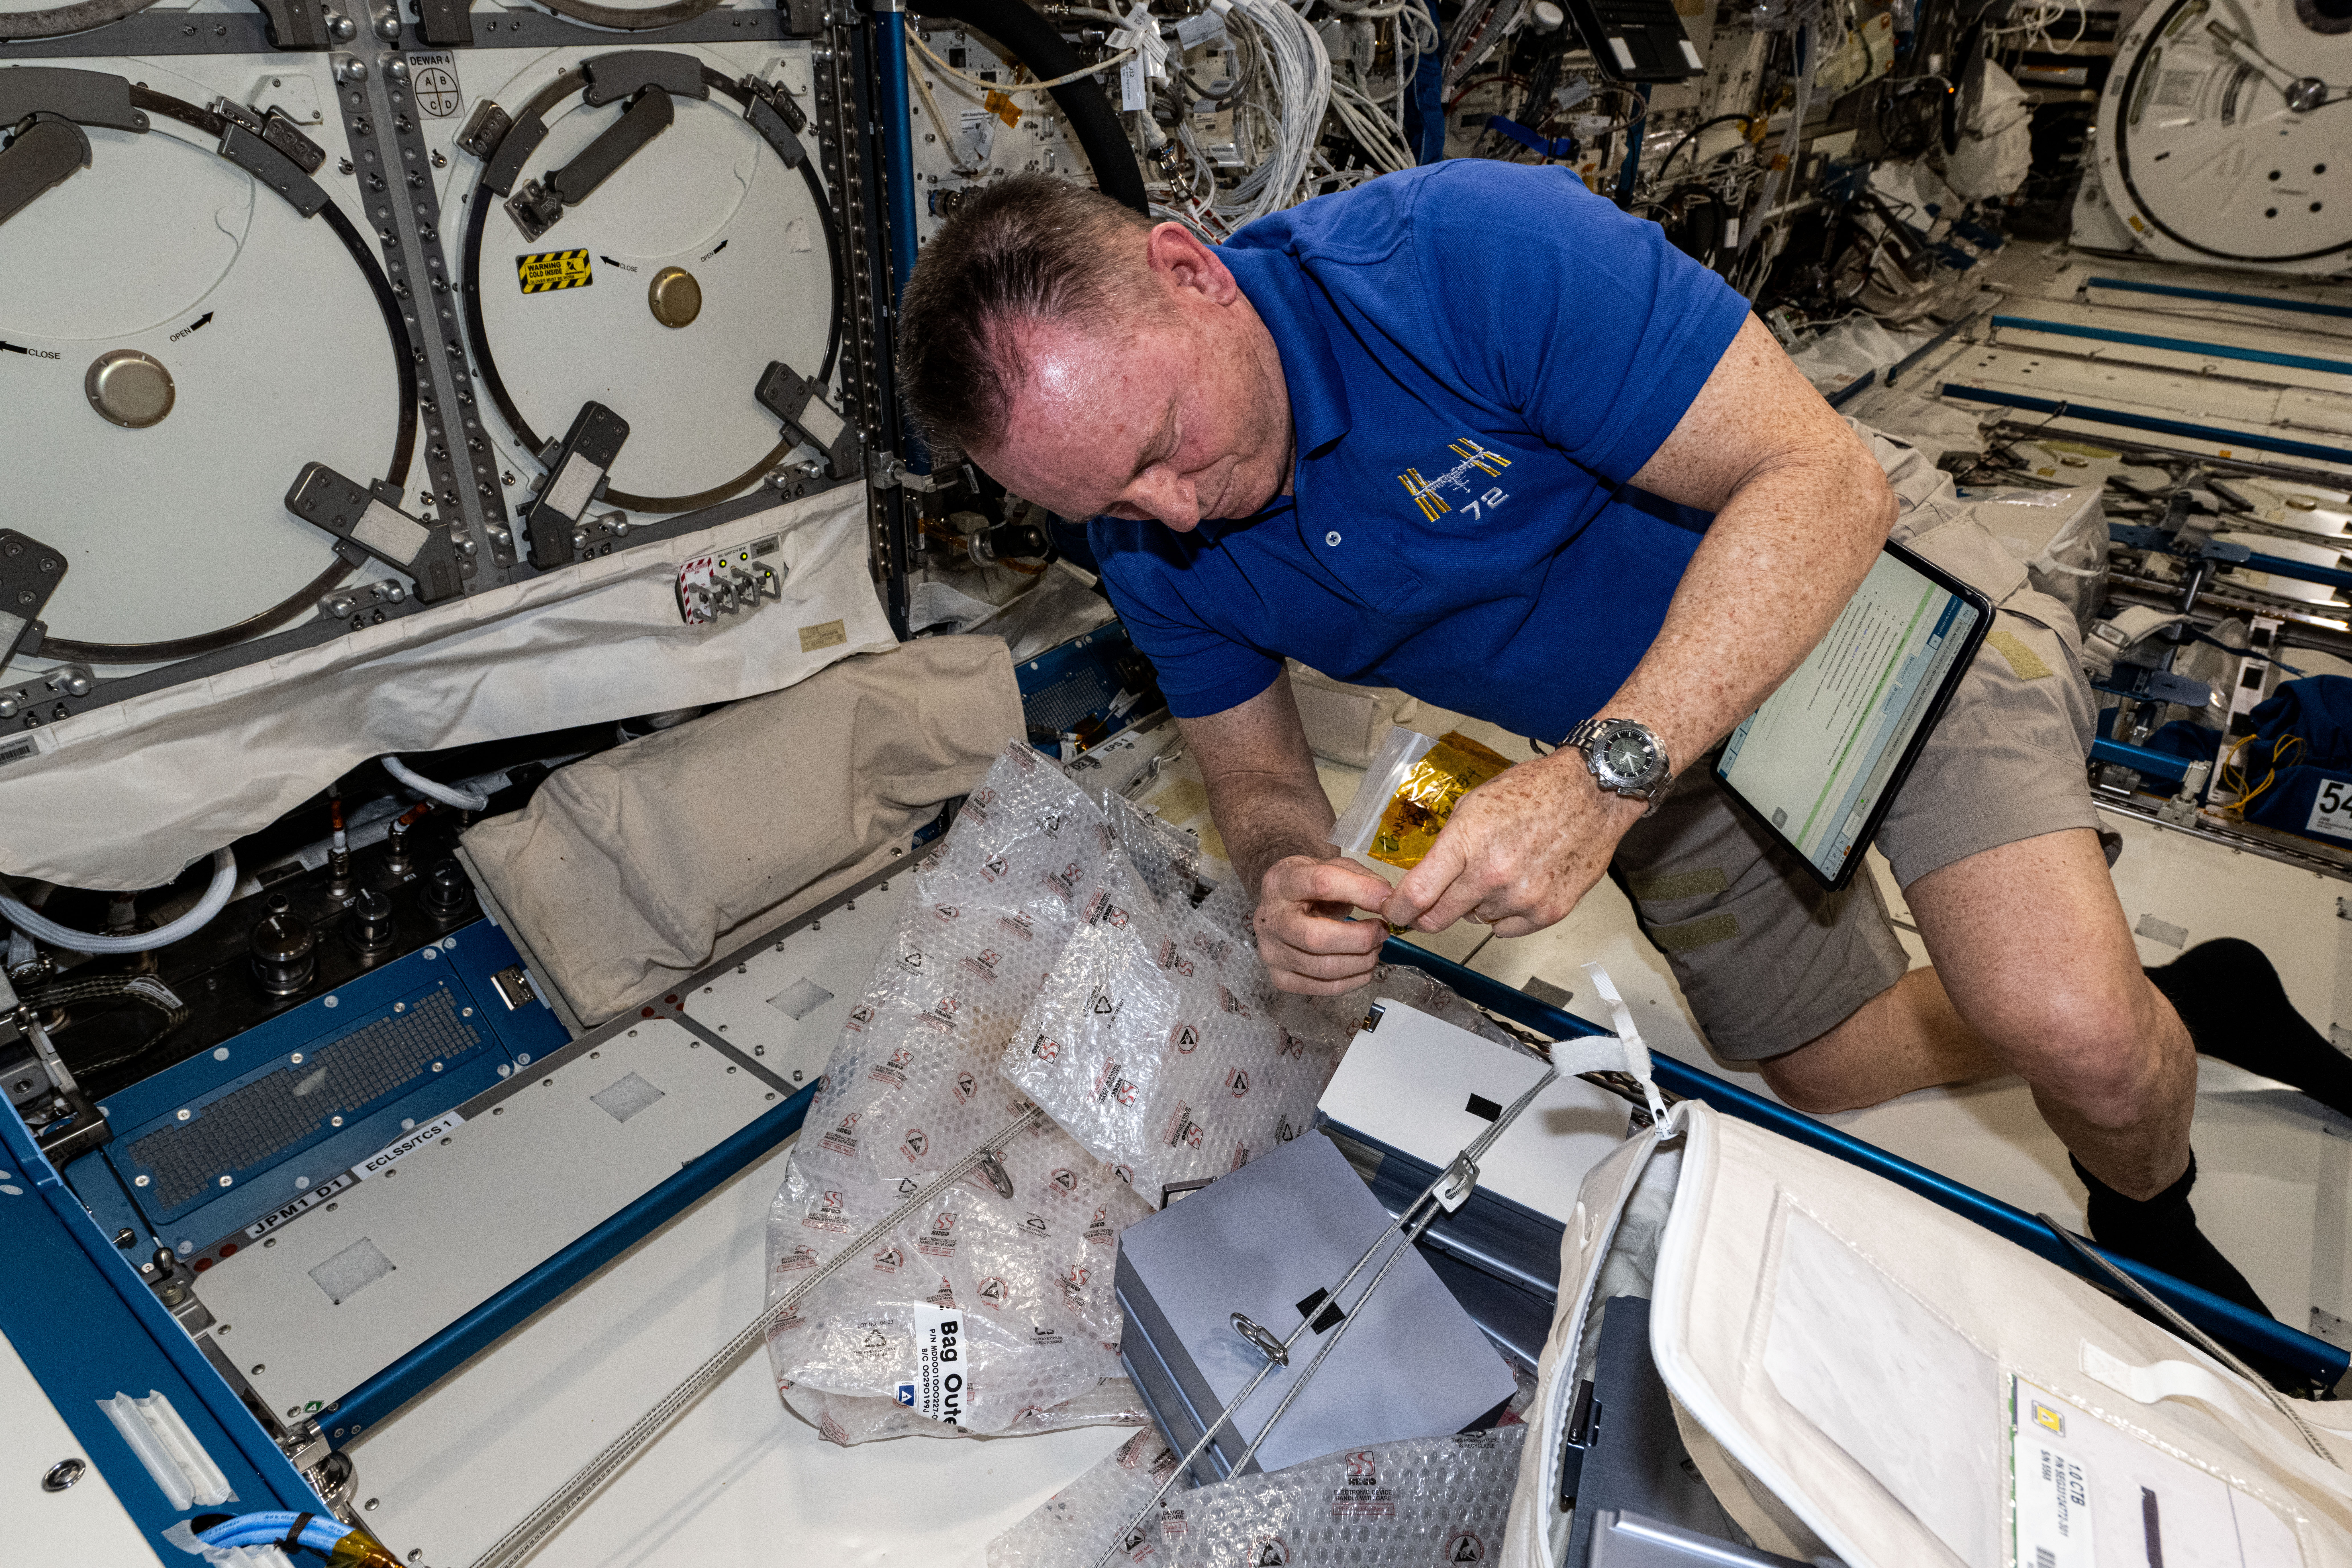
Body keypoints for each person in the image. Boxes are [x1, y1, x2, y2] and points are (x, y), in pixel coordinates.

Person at [895, 161, 2263, 1313]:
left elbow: (1819, 480)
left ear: (1193, 271)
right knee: (1826, 1067)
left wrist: (1605, 778)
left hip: (1845, 594)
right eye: (1111, 501)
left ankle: (2151, 1214)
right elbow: (1253, 772)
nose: (1173, 511)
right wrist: (1283, 872)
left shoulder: (1464, 256)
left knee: (2070, 1025)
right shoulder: (1153, 539)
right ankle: (2200, 996)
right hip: (1637, 740)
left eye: (1164, 442)